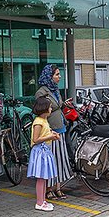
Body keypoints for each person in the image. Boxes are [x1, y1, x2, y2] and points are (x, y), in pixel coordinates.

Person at [35, 64, 74, 197]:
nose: (59, 76)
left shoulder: (55, 90)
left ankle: (58, 187)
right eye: (57, 74)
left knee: (60, 160)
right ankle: (48, 189)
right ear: (49, 76)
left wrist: (64, 104)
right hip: (50, 131)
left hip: (60, 129)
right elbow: (40, 111)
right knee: (51, 161)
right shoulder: (41, 92)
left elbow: (58, 106)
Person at [27, 96, 60, 211]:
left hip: (44, 151)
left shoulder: (43, 121)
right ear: (44, 108)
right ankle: (39, 202)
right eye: (50, 107)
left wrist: (52, 134)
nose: (51, 109)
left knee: (44, 178)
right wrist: (50, 137)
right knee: (41, 178)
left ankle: (42, 200)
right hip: (40, 152)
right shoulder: (38, 122)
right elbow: (35, 139)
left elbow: (44, 133)